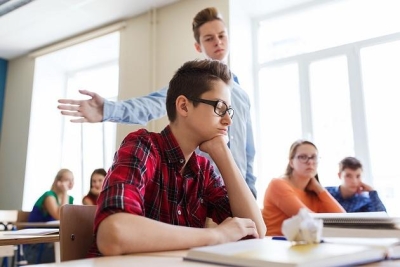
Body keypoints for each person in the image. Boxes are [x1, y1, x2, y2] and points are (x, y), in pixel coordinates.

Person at [57, 7, 257, 198]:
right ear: (198, 46)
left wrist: (250, 193)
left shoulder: (242, 96)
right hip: (202, 194)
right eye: (209, 38)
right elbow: (150, 105)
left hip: (238, 195)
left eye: (222, 36)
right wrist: (108, 109)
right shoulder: (191, 86)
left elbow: (248, 151)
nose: (218, 42)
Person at [87, 59, 266, 257]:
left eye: (229, 111)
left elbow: (256, 231)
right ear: (184, 106)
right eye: (220, 108)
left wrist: (223, 153)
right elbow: (113, 234)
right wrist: (216, 235)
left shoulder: (203, 170)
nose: (228, 119)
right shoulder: (143, 146)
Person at [261, 140, 345, 236]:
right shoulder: (277, 185)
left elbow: (344, 219)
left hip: (305, 245)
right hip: (277, 244)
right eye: (303, 157)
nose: (310, 162)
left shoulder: (314, 192)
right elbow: (310, 221)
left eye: (314, 157)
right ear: (291, 162)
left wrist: (320, 190)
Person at [24, 168, 74, 264]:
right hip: (35, 246)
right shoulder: (49, 196)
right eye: (67, 180)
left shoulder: (69, 199)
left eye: (72, 180)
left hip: (51, 243)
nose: (71, 183)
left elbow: (70, 220)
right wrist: (64, 192)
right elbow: (60, 216)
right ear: (58, 182)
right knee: (68, 251)